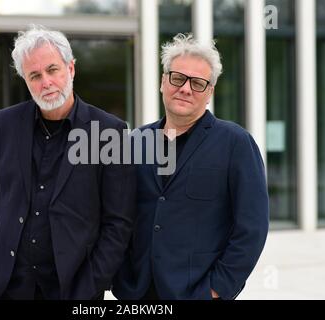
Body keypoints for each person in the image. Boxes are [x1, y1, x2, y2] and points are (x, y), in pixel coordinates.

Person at [0, 25, 136, 300]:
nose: (45, 82)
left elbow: (118, 223)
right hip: (9, 289)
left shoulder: (109, 132)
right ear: (25, 79)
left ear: (70, 69)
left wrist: (89, 287)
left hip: (75, 291)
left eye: (52, 70)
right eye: (34, 75)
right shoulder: (2, 125)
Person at [112, 33, 269, 300]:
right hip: (137, 293)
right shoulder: (135, 141)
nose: (185, 88)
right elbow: (117, 215)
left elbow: (251, 228)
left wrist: (217, 289)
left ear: (209, 93)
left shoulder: (236, 144)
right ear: (163, 82)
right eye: (177, 78)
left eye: (198, 83)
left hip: (197, 292)